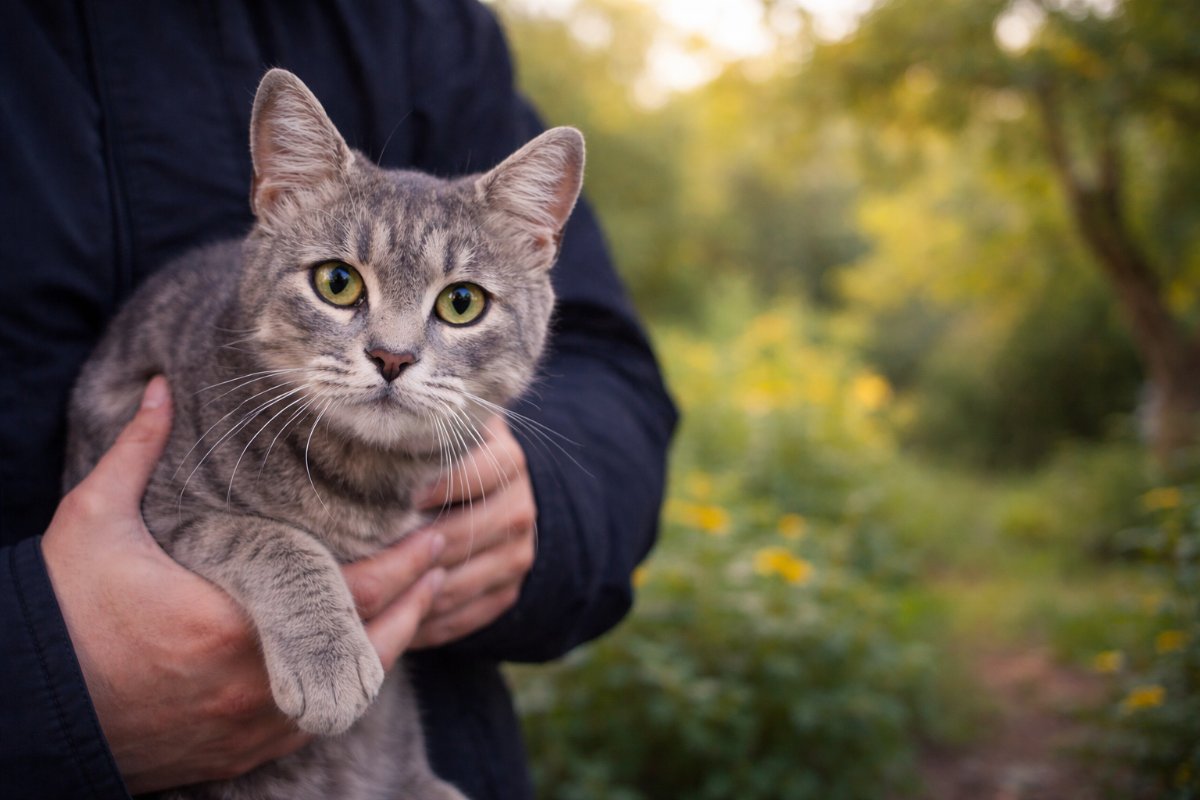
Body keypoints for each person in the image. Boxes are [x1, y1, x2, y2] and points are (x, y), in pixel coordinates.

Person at [0, 2, 677, 798]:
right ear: (274, 196)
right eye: (339, 283)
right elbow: (174, 510)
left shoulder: (426, 23)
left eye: (458, 303)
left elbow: (614, 375)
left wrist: (550, 498)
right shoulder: (211, 389)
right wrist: (36, 686)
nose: (393, 351)